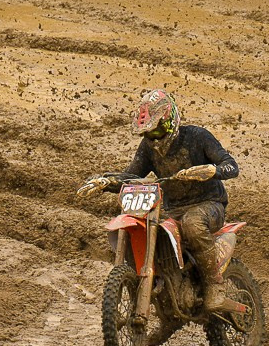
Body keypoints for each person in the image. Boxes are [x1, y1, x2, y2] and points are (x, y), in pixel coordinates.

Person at [79, 88, 241, 313]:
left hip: (208, 204)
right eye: (150, 133)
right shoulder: (148, 148)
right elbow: (133, 176)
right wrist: (106, 181)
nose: (155, 138)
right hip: (173, 208)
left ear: (171, 120)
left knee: (193, 224)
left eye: (159, 130)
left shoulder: (197, 137)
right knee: (147, 229)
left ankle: (215, 286)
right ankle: (164, 296)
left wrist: (212, 170)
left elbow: (231, 165)